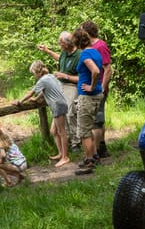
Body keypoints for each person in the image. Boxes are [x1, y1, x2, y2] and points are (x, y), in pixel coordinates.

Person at [13, 60, 70, 167]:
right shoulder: (50, 76)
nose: (34, 76)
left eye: (33, 73)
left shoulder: (42, 80)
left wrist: (19, 102)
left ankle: (65, 157)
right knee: (53, 131)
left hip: (57, 105)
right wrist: (37, 99)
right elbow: (45, 91)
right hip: (60, 104)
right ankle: (61, 153)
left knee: (62, 132)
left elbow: (31, 93)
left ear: (38, 72)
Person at [37, 31, 81, 150]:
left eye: (61, 42)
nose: (59, 44)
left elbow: (82, 77)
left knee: (70, 111)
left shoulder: (79, 55)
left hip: (72, 86)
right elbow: (60, 58)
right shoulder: (64, 52)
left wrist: (65, 76)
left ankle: (76, 142)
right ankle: (66, 140)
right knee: (60, 112)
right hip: (60, 85)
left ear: (68, 43)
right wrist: (47, 51)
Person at [71, 28, 103, 175]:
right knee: (88, 127)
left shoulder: (85, 54)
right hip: (96, 95)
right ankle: (95, 156)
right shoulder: (95, 51)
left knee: (83, 131)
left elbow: (96, 71)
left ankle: (89, 161)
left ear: (77, 41)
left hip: (88, 96)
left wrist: (90, 86)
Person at [80, 20, 113, 158]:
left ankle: (96, 153)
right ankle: (102, 147)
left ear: (87, 32)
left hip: (98, 89)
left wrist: (103, 88)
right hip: (95, 89)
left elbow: (108, 69)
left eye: (81, 30)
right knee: (98, 120)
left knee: (97, 122)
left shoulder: (100, 46)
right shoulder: (90, 47)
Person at [0, 111, 29, 186]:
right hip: (24, 162)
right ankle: (20, 176)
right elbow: (0, 125)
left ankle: (9, 183)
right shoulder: (8, 138)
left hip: (18, 166)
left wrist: (0, 161)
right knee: (4, 165)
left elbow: (3, 155)